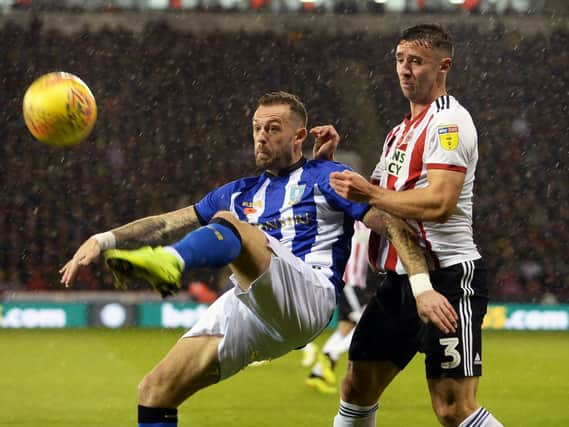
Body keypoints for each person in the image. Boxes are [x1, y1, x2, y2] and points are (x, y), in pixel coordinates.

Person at [60, 91, 453, 427]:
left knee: (232, 227)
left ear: (299, 135)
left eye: (273, 128)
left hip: (310, 295)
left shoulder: (326, 177)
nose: (261, 137)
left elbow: (393, 225)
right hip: (250, 302)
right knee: (154, 390)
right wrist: (103, 239)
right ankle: (168, 260)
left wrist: (421, 287)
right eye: (256, 128)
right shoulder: (238, 191)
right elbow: (166, 222)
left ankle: (170, 263)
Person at [329, 25, 503, 427]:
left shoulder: (449, 123)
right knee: (357, 387)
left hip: (448, 276)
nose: (405, 70)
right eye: (400, 60)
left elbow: (440, 203)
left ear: (444, 66)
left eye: (417, 62)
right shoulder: (398, 133)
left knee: (453, 409)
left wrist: (370, 195)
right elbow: (371, 198)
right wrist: (332, 164)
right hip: (401, 280)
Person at [304, 220, 373, 394]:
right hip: (351, 282)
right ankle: (331, 355)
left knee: (345, 328)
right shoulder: (359, 221)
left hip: (353, 282)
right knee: (366, 326)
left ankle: (317, 375)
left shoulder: (358, 221)